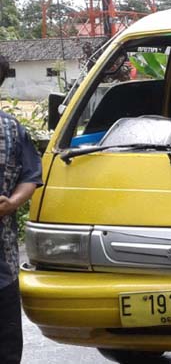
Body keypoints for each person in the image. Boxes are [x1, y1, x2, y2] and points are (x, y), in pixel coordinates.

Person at [0, 55, 43, 364]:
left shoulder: (12, 129)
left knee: (6, 347)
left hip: (2, 263)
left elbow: (31, 176)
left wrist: (13, 203)